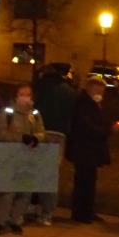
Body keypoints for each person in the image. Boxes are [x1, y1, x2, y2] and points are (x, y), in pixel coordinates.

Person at [0, 84, 46, 235]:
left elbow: (41, 130)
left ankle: (16, 219)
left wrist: (36, 138)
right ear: (15, 96)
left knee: (24, 190)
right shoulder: (7, 112)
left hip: (28, 156)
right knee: (8, 191)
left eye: (28, 94)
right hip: (11, 155)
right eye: (22, 93)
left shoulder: (34, 114)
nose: (25, 97)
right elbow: (1, 133)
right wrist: (20, 138)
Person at [66, 77, 119, 224]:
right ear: (89, 89)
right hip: (83, 149)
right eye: (97, 90)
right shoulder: (84, 104)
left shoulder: (93, 104)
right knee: (83, 182)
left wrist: (109, 126)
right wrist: (109, 129)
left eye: (102, 91)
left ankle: (88, 212)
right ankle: (80, 213)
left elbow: (96, 123)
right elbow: (88, 127)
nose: (100, 94)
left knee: (89, 181)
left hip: (90, 150)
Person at [31, 65, 77, 225]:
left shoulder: (43, 86)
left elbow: (35, 107)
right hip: (60, 134)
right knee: (50, 174)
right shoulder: (69, 91)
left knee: (36, 171)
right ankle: (47, 212)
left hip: (42, 131)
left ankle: (36, 206)